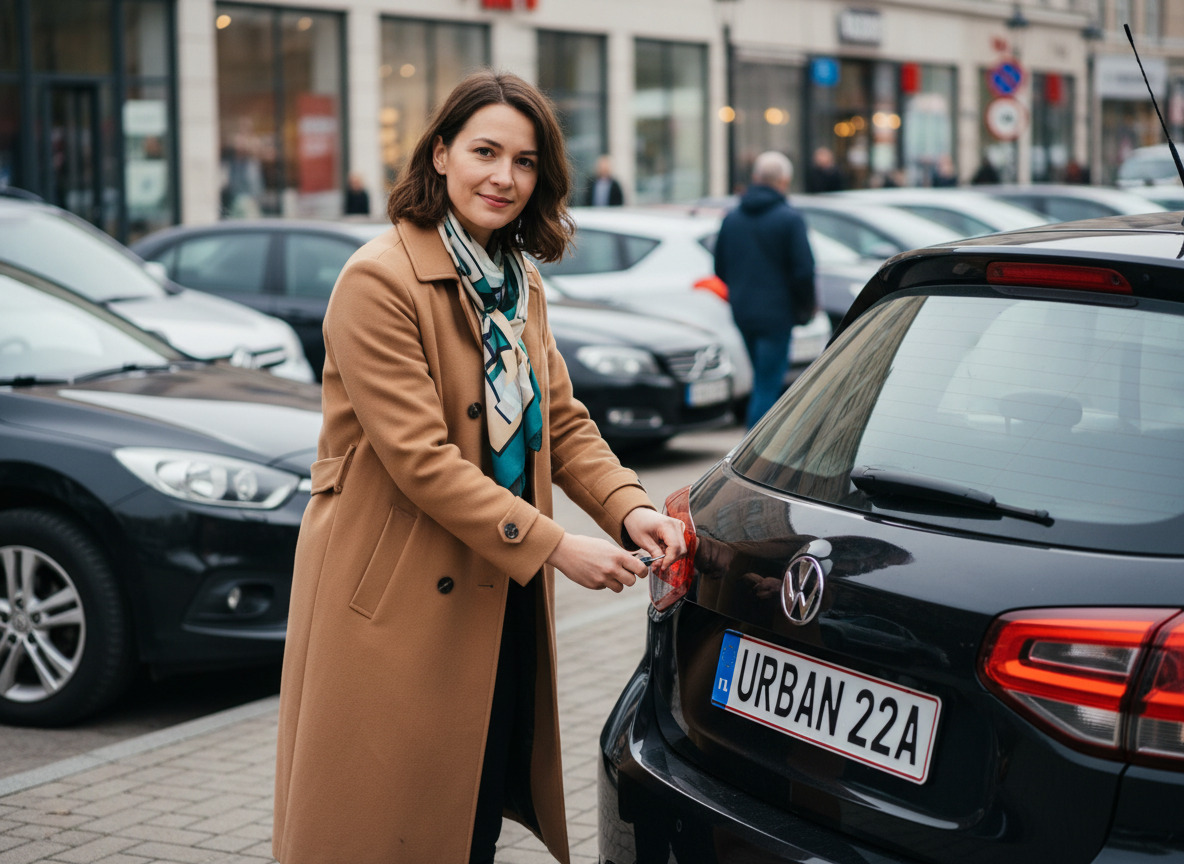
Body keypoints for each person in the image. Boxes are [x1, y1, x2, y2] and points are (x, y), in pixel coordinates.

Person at [272, 70, 687, 864]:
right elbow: (420, 460)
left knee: (471, 815)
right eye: (485, 152)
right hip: (392, 600)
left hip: (495, 589)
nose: (504, 177)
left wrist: (627, 506)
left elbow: (560, 422)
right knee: (383, 822)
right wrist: (558, 547)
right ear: (439, 154)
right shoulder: (378, 278)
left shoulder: (516, 279)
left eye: (525, 161)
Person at [714, 151, 815, 429]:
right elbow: (804, 271)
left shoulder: (732, 218)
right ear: (784, 181)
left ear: (756, 178)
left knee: (763, 379)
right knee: (768, 385)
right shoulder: (790, 218)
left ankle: (757, 447)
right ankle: (754, 452)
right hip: (777, 315)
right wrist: (806, 308)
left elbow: (720, 268)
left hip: (743, 312)